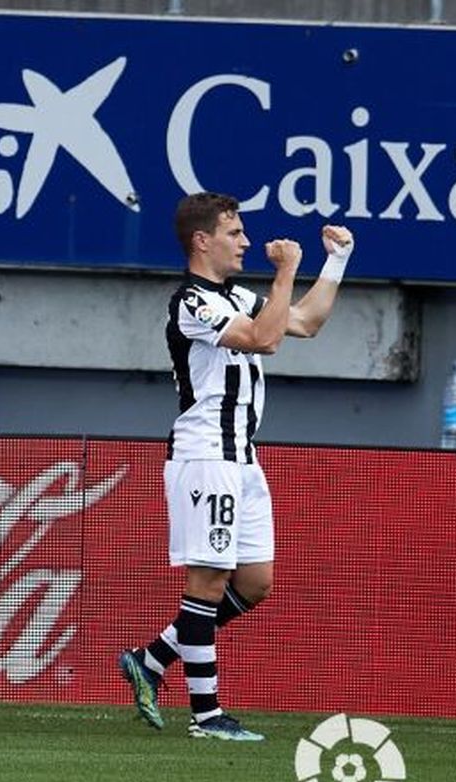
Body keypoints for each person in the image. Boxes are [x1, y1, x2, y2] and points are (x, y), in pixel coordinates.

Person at [118, 191, 353, 742]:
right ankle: (206, 716)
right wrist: (287, 269)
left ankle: (150, 661)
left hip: (243, 458)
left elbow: (307, 323)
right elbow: (264, 339)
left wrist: (336, 259)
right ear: (203, 241)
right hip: (206, 457)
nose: (246, 241)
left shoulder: (238, 295)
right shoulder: (192, 302)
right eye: (234, 233)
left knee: (255, 581)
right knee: (208, 579)